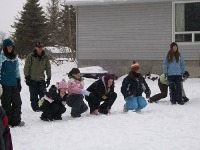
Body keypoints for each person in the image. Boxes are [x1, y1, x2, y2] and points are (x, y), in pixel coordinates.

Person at [0, 39, 24, 127]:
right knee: (6, 104)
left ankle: (16, 121)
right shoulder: (1, 57)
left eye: (12, 47)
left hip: (14, 84)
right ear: (5, 47)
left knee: (17, 103)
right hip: (4, 85)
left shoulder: (14, 57)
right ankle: (8, 122)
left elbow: (17, 70)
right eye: (9, 46)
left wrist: (18, 81)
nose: (10, 48)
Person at [24, 42, 51, 112]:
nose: (40, 48)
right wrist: (27, 77)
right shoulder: (30, 56)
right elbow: (27, 67)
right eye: (38, 47)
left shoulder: (45, 57)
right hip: (32, 79)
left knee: (43, 95)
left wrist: (49, 78)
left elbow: (48, 68)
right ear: (35, 47)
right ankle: (35, 108)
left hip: (41, 79)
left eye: (41, 47)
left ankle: (42, 106)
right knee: (34, 96)